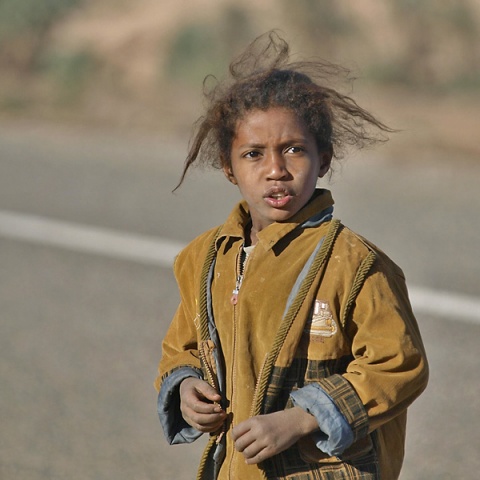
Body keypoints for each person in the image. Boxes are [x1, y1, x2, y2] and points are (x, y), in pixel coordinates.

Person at [154, 31, 428, 480]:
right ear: (228, 167)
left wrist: (303, 418)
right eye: (253, 154)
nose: (276, 170)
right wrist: (186, 385)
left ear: (323, 159)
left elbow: (399, 364)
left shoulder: (354, 263)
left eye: (294, 150)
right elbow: (179, 346)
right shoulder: (204, 260)